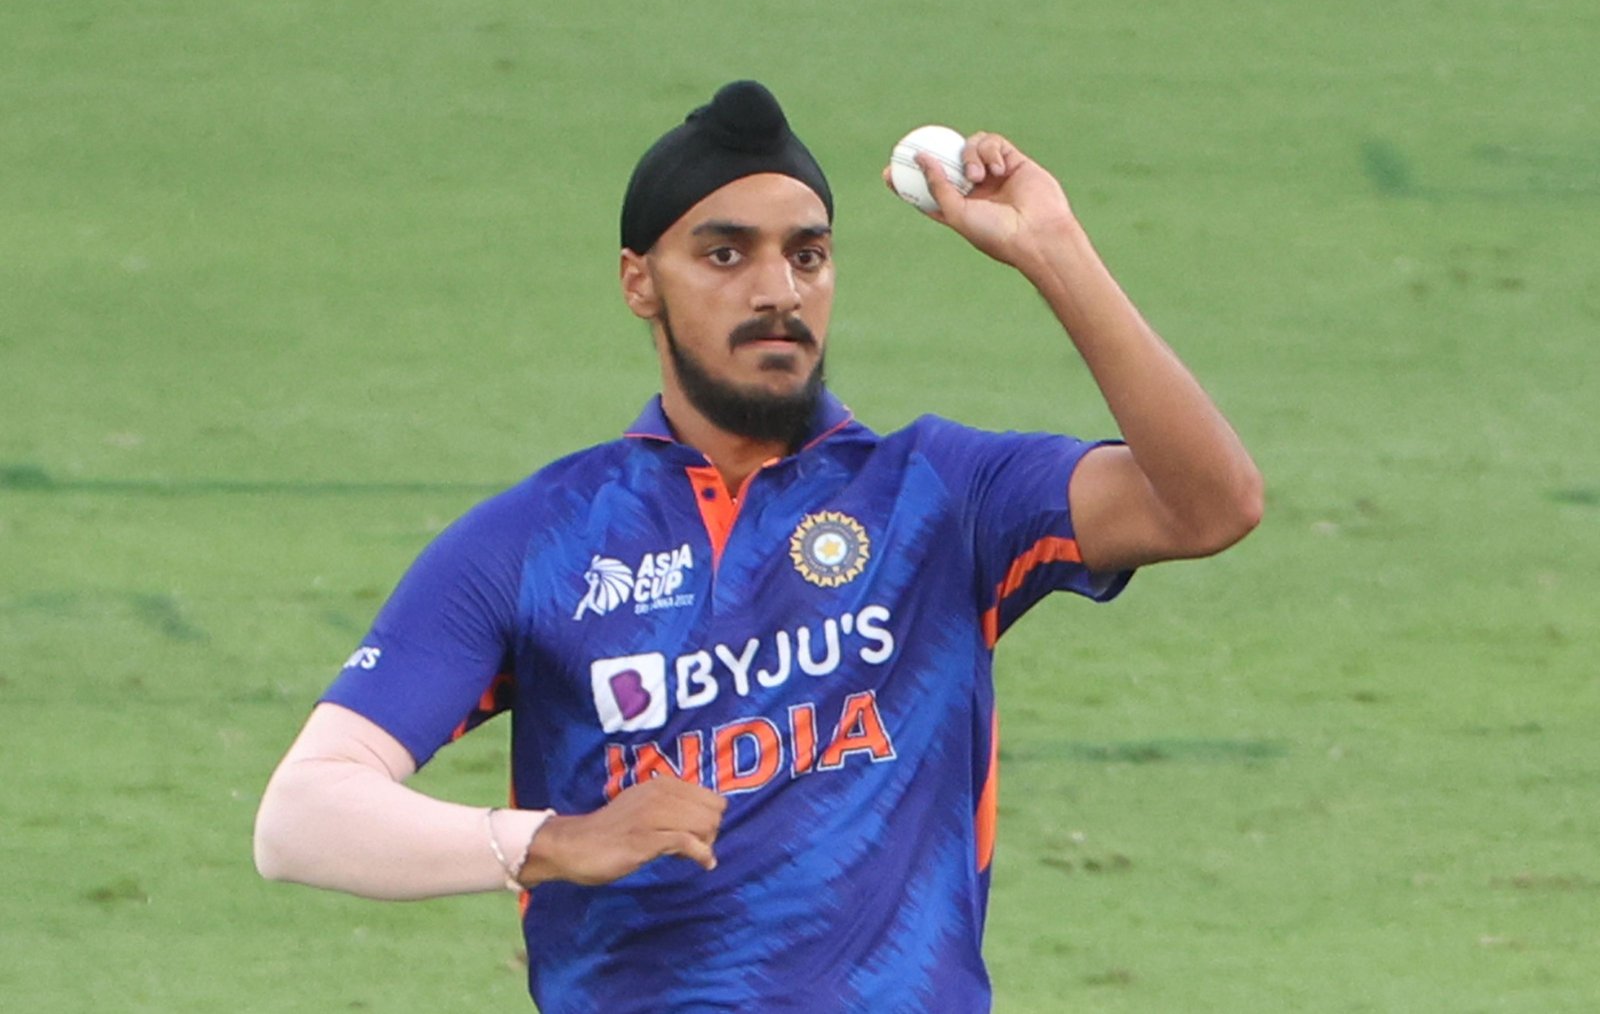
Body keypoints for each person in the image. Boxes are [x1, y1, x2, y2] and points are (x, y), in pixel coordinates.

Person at [254, 80, 1262, 1012]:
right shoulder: (537, 541)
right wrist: (554, 842)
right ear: (639, 282)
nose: (777, 288)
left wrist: (1051, 249)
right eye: (726, 254)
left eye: (807, 254)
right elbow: (301, 818)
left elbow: (1208, 505)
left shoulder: (941, 495)